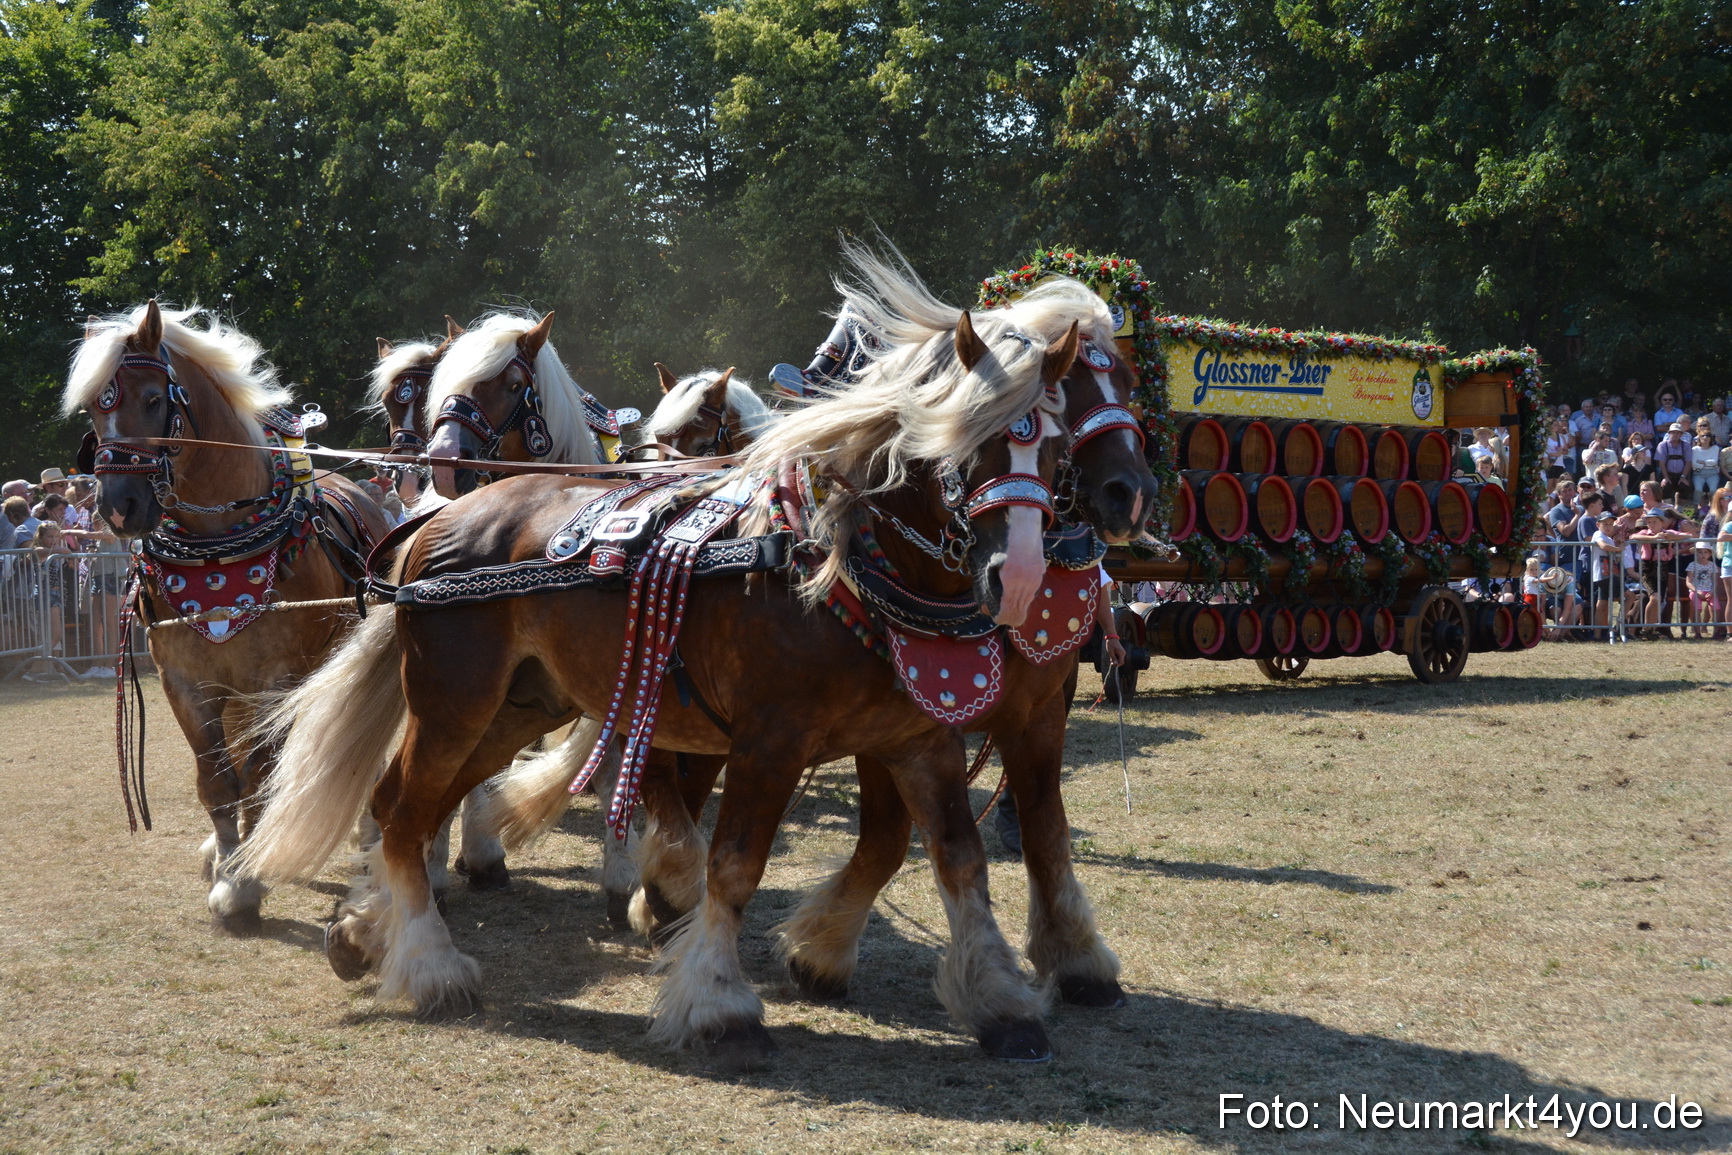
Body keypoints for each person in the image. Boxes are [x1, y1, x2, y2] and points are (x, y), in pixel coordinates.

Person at [1654, 423, 1693, 504]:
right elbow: (1661, 463)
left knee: (1686, 487)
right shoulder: (1662, 445)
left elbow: (1688, 462)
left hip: (1681, 474)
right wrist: (1666, 478)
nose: (1675, 434)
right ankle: (1668, 510)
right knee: (1665, 487)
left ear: (1681, 434)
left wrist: (1683, 477)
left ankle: (1680, 510)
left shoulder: (1686, 445)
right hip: (1667, 474)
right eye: (1673, 432)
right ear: (1669, 433)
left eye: (1678, 432)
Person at [1685, 546, 1718, 639]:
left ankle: (1716, 632)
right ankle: (1697, 632)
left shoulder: (1712, 565)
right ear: (1696, 554)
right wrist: (1696, 591)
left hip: (1709, 590)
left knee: (1715, 608)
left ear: (1710, 554)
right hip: (1695, 590)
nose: (1703, 554)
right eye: (1700, 552)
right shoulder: (1692, 565)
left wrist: (1712, 591)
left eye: (1705, 552)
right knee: (1696, 609)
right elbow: (1688, 581)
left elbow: (1715, 581)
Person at [1691, 427, 1721, 510]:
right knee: (1698, 490)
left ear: (1711, 438)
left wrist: (1702, 462)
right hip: (1698, 473)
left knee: (1713, 490)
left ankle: (1714, 508)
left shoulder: (1715, 448)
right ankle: (1695, 509)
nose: (1705, 438)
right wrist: (1706, 463)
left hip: (1712, 473)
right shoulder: (1694, 449)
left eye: (1707, 436)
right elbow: (1694, 464)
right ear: (1699, 438)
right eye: (1702, 436)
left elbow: (1714, 461)